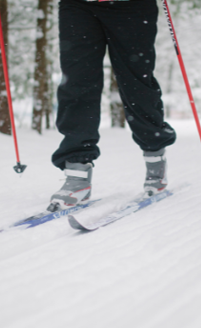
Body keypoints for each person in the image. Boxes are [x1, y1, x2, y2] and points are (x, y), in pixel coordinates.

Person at [47, 0, 177, 212]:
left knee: (137, 85)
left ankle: (154, 152)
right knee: (76, 82)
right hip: (78, 5)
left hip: (132, 6)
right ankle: (77, 170)